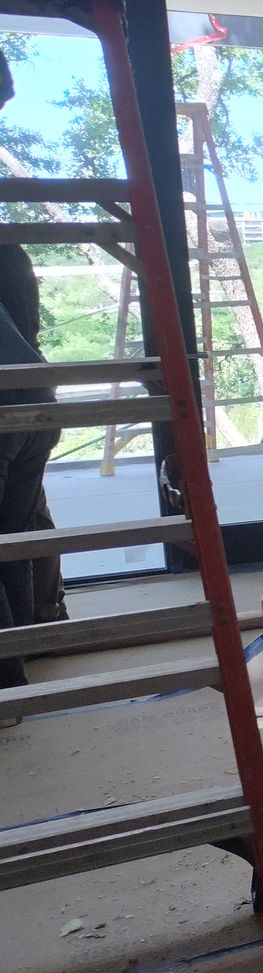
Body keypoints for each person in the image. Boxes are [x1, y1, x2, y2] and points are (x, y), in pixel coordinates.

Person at [0, 248, 59, 718]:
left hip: (7, 400)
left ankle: (5, 685)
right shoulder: (9, 248)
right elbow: (28, 321)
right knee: (12, 542)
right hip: (34, 391)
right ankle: (18, 659)